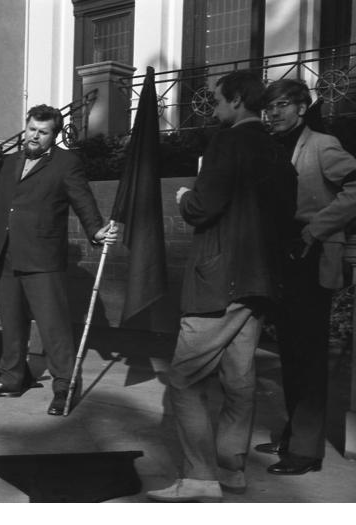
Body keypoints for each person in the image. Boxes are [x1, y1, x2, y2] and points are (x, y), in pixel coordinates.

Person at [147, 72, 297, 502]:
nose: (213, 108)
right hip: (259, 282)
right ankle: (231, 472)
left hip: (217, 283)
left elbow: (202, 206)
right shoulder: (277, 150)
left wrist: (183, 199)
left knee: (184, 379)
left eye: (216, 100)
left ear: (235, 100)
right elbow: (286, 217)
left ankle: (198, 478)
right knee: (238, 379)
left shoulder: (226, 143)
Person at [0, 104, 117, 416]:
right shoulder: (11, 161)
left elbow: (82, 200)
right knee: (10, 322)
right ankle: (11, 378)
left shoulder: (66, 163)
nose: (34, 136)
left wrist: (95, 231)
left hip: (42, 258)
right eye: (31, 129)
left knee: (53, 327)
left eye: (42, 132)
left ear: (55, 135)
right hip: (6, 254)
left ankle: (65, 384)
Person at [253, 79, 356, 475]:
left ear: (301, 107)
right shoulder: (275, 147)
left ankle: (306, 451)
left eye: (281, 105)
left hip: (313, 259)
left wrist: (316, 228)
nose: (273, 113)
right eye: (269, 107)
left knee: (309, 355)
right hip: (284, 260)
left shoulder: (322, 145)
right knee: (291, 354)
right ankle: (294, 435)